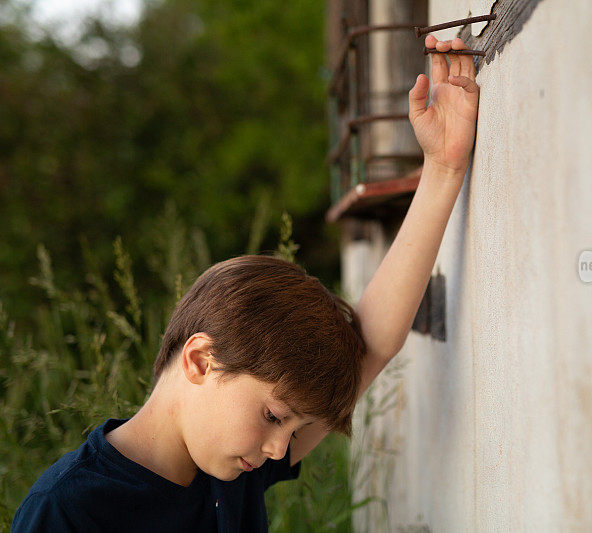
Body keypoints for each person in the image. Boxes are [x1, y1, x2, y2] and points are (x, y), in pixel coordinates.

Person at [11, 34, 479, 532]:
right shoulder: (66, 509)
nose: (281, 449)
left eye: (292, 427)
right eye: (276, 417)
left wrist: (445, 168)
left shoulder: (230, 467)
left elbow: (371, 345)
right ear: (199, 360)